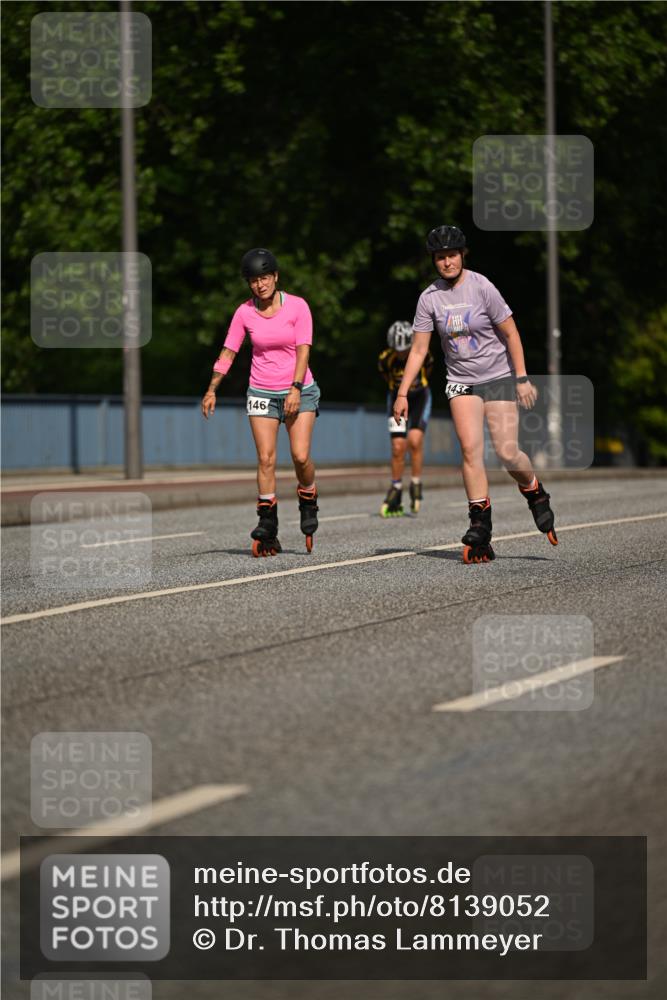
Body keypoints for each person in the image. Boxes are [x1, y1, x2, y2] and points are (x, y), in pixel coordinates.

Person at [393, 225, 558, 563]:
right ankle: (480, 525)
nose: (447, 262)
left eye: (452, 255)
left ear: (462, 255)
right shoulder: (429, 298)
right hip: (460, 381)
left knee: (508, 453)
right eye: (440, 257)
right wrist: (402, 393)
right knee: (470, 451)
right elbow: (419, 350)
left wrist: (522, 378)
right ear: (434, 261)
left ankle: (535, 491)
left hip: (497, 376)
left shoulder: (482, 287)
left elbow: (511, 333)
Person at [201, 248, 320, 556]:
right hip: (262, 392)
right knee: (266, 459)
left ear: (275, 277)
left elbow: (303, 350)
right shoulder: (244, 313)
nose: (259, 285)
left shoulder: (298, 307)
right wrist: (212, 388)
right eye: (253, 280)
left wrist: (295, 388)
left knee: (300, 456)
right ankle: (267, 525)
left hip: (300, 389)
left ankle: (308, 497)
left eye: (264, 278)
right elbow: (229, 351)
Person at [378, 320, 433, 516]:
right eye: (397, 350)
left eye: (404, 349)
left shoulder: (423, 355)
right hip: (396, 399)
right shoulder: (385, 359)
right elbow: (386, 377)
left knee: (415, 440)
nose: (401, 353)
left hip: (419, 398)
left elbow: (429, 371)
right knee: (398, 446)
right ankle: (396, 486)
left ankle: (416, 483)